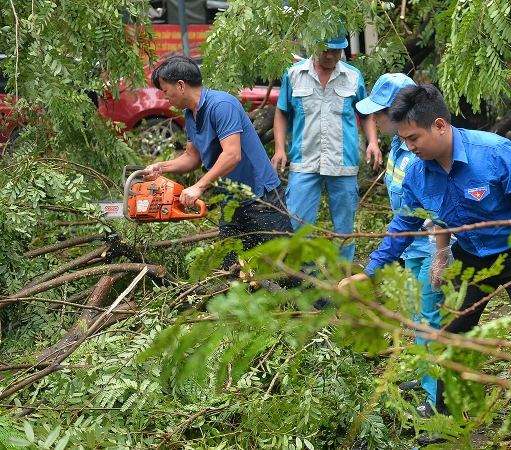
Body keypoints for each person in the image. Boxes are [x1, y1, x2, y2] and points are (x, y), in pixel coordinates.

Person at [339, 84, 511, 417]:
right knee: (450, 336)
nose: (409, 148)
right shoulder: (417, 173)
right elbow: (405, 225)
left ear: (440, 125)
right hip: (472, 257)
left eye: (414, 139)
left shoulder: (495, 152)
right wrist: (370, 272)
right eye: (403, 140)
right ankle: (444, 414)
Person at [144, 56, 292, 270]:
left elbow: (232, 155)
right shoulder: (190, 114)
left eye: (166, 90)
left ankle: (327, 302)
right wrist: (161, 167)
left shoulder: (222, 105)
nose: (165, 97)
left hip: (262, 197)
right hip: (232, 200)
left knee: (289, 266)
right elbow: (191, 158)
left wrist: (199, 186)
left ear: (181, 85)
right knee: (231, 267)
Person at [355, 73, 444, 416]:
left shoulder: (420, 155)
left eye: (380, 112)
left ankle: (438, 401)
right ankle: (426, 378)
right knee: (418, 317)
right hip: (410, 248)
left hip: (429, 249)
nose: (375, 119)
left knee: (428, 320)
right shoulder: (399, 146)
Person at [271, 33, 381, 262]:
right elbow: (282, 111)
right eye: (326, 50)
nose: (331, 56)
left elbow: (366, 113)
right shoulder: (294, 74)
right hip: (304, 159)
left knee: (344, 227)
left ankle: (343, 278)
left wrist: (373, 142)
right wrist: (279, 149)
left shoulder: (353, 76)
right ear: (314, 45)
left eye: (337, 51)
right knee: (296, 222)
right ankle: (303, 279)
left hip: (344, 161)